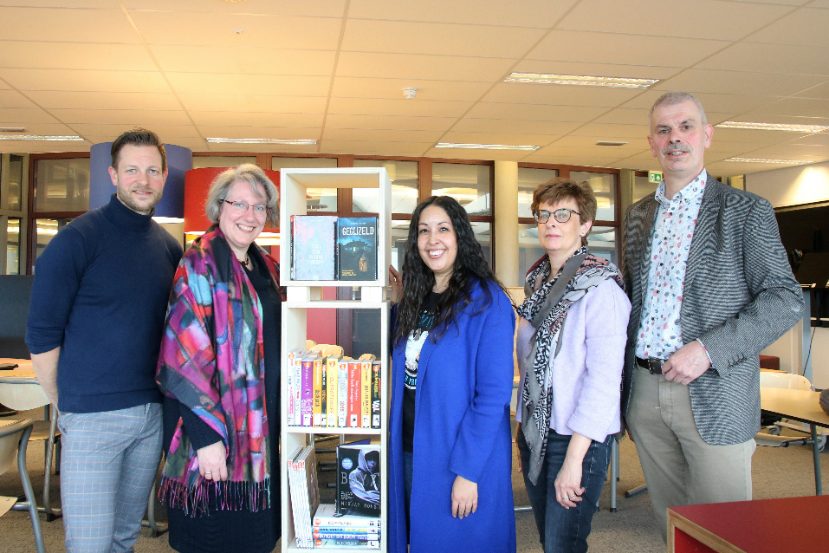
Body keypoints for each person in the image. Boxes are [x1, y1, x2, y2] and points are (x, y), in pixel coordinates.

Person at [622, 91, 804, 538]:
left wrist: (708, 350)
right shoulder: (638, 215)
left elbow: (785, 297)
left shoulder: (746, 210)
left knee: (725, 529)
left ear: (706, 135)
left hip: (714, 387)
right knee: (672, 524)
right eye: (663, 130)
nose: (674, 138)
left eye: (685, 127)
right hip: (645, 389)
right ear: (651, 142)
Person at [25, 129, 182, 553]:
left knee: (123, 538)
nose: (143, 180)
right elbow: (41, 335)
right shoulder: (78, 240)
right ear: (113, 174)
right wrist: (68, 403)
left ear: (164, 176)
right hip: (93, 418)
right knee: (90, 545)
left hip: (150, 415)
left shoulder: (168, 248)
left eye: (152, 170)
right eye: (132, 169)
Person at [155, 164, 282, 553]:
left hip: (260, 435)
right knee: (214, 538)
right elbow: (183, 359)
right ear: (218, 207)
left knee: (254, 539)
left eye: (259, 207)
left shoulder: (267, 265)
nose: (250, 215)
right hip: (213, 435)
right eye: (239, 204)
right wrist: (207, 439)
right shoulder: (199, 263)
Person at [387, 196, 516, 553]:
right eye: (424, 231)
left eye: (443, 229)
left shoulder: (487, 301)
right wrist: (395, 303)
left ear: (460, 236)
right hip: (413, 449)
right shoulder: (418, 298)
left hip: (458, 457)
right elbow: (408, 359)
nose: (433, 240)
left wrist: (468, 471)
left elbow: (492, 397)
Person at [515, 180, 630, 553]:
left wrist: (574, 460)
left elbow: (603, 382)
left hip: (577, 438)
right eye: (544, 214)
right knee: (551, 540)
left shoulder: (602, 291)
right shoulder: (538, 285)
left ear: (585, 225)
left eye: (563, 214)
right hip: (537, 431)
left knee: (564, 543)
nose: (551, 222)